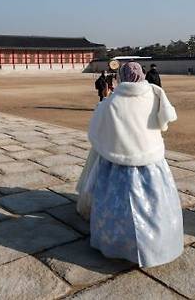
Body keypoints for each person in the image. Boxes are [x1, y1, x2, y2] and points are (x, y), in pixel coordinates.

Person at [76, 62, 182, 267]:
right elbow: (164, 122)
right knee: (155, 204)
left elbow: (96, 132)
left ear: (120, 77)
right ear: (142, 75)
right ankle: (158, 243)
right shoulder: (153, 93)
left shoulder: (112, 102)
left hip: (119, 162)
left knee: (121, 206)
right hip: (151, 158)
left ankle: (119, 244)